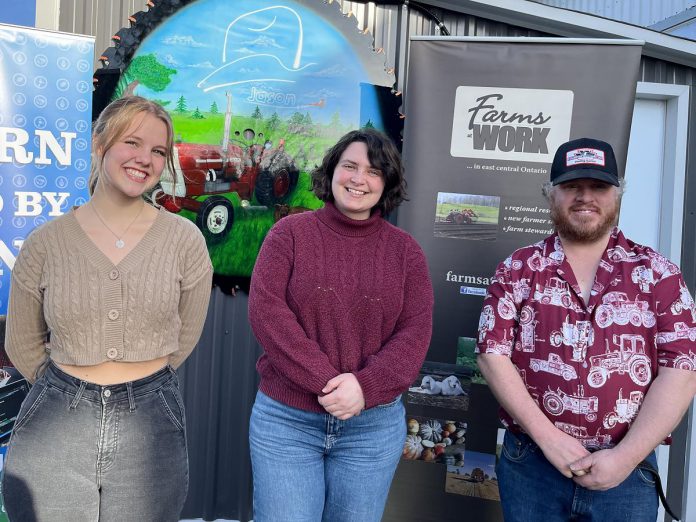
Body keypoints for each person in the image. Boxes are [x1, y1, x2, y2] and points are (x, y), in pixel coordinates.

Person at [2, 95, 213, 521]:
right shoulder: (47, 242)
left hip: (151, 421)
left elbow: (184, 335)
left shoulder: (184, 240)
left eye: (158, 151)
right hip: (56, 422)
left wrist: (141, 380)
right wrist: (67, 390)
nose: (145, 160)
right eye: (132, 143)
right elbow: (22, 342)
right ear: (99, 144)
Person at [477, 137, 696, 521]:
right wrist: (549, 439)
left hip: (626, 474)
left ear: (618, 194)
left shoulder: (659, 274)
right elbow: (492, 354)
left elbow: (682, 370)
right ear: (551, 194)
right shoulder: (517, 269)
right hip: (532, 464)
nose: (585, 197)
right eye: (572, 186)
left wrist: (624, 459)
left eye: (598, 187)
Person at [247, 128, 434, 522]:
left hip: (372, 429)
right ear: (332, 170)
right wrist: (328, 384)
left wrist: (364, 388)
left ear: (388, 184)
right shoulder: (289, 234)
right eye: (349, 165)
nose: (358, 179)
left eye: (373, 171)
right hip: (288, 422)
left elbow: (415, 332)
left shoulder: (406, 253)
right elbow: (267, 312)